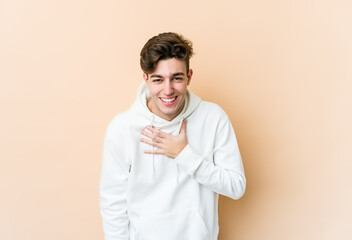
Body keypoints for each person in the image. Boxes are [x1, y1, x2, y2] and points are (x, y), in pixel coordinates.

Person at [99, 32, 246, 240]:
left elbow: (236, 186)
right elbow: (112, 205)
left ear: (189, 76)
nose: (168, 90)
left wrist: (184, 154)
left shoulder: (213, 118)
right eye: (158, 80)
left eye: (176, 78)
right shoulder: (122, 129)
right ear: (146, 79)